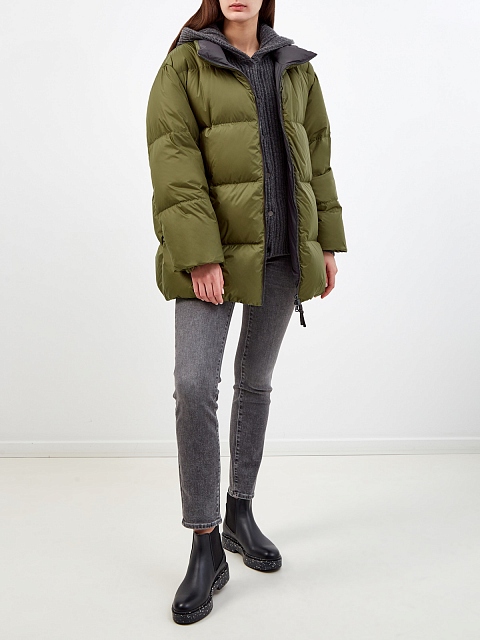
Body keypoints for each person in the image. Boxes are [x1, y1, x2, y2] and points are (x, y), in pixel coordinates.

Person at [146, 0, 347, 625]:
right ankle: (205, 541)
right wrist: (200, 255)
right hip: (209, 257)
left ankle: (240, 511)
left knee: (255, 382)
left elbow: (317, 158)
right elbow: (174, 163)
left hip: (284, 251)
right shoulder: (185, 64)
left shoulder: (296, 67)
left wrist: (325, 244)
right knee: (193, 385)